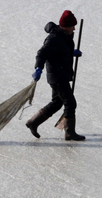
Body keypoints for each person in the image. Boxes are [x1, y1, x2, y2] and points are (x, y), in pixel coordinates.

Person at [25, 10, 85, 141]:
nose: (74, 28)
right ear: (65, 26)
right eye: (72, 26)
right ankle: (70, 132)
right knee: (70, 103)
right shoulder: (54, 38)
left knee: (57, 102)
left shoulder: (65, 36)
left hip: (61, 75)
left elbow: (60, 51)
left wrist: (71, 52)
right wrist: (38, 68)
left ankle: (33, 122)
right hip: (57, 77)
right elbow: (41, 53)